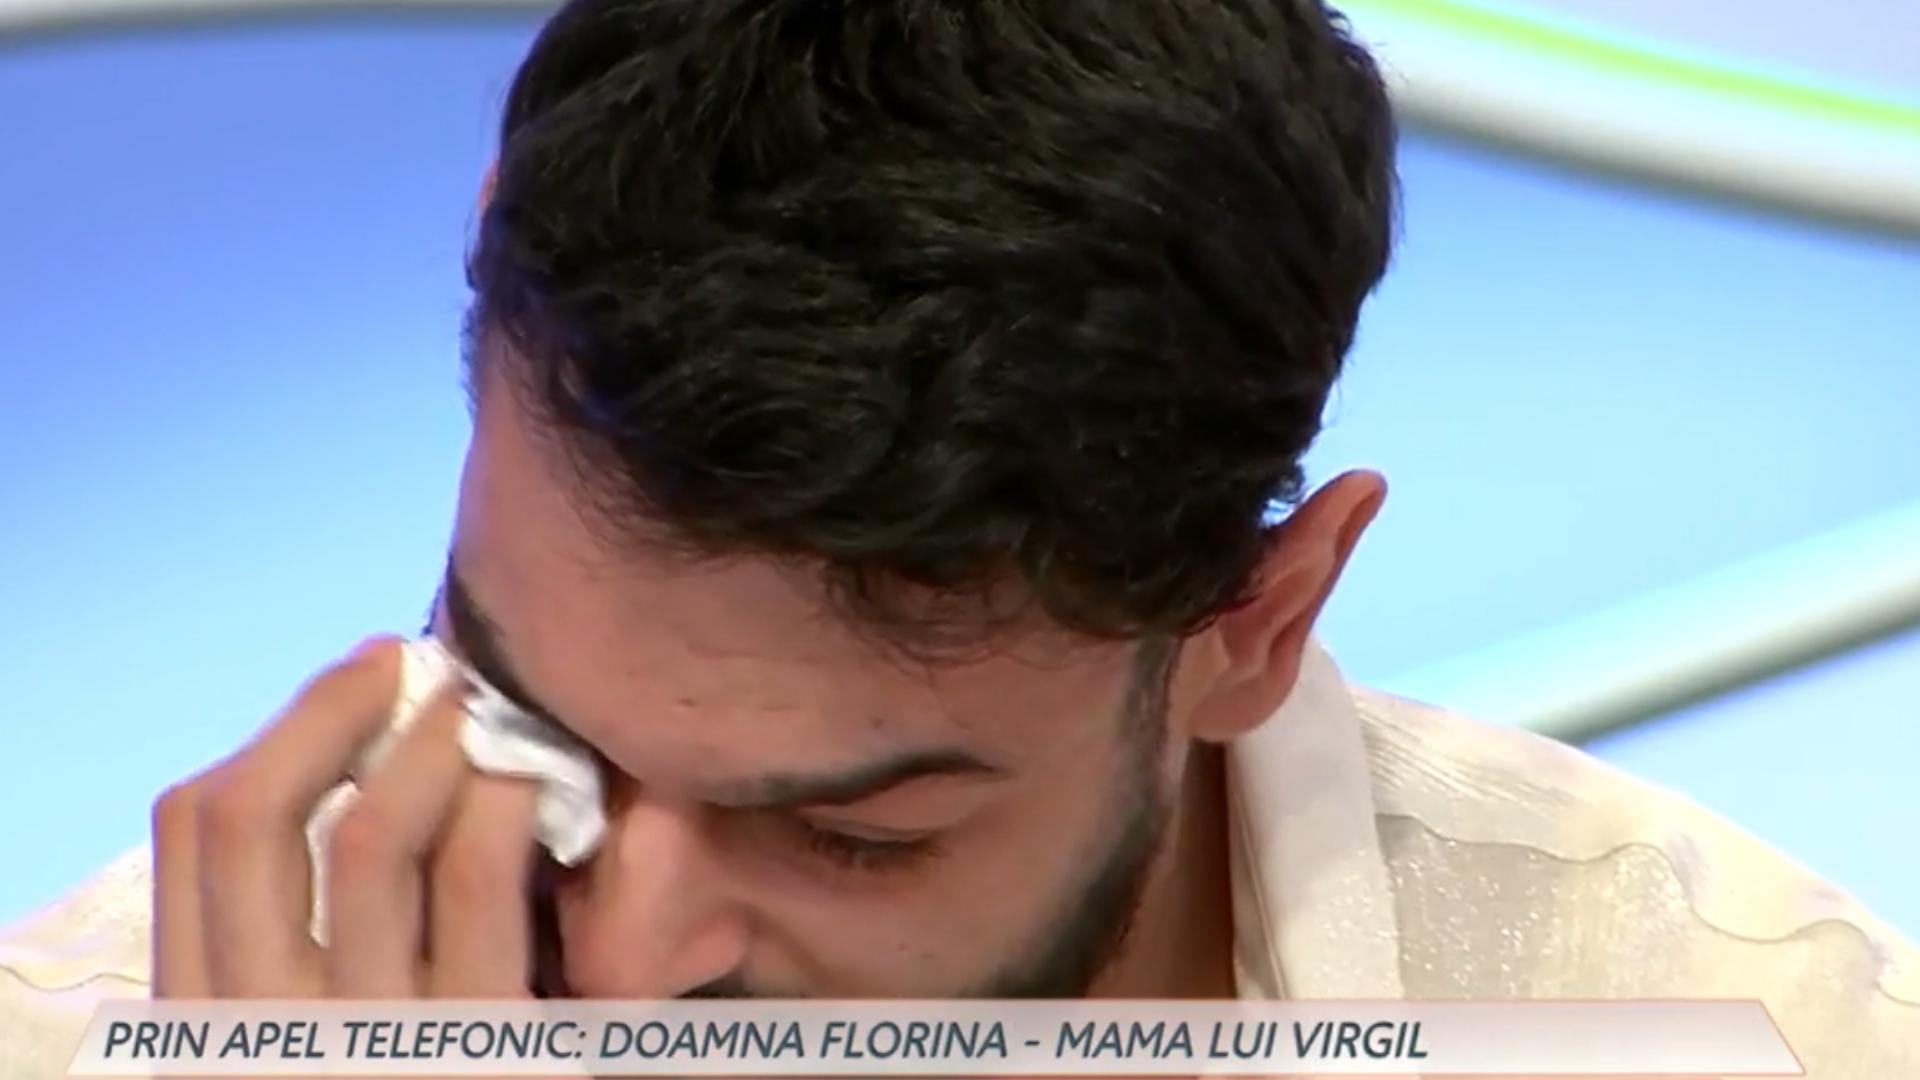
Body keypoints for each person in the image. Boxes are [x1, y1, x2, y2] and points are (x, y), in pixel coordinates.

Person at [4, 0, 1915, 1075]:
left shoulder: (1744, 1027)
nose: (638, 958)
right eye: (525, 732)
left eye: (855, 835)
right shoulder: (91, 1031)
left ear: (1256, 619)